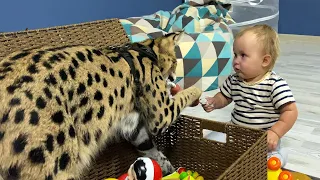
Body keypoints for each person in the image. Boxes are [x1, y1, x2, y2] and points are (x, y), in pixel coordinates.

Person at [201, 24, 298, 167]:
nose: (236, 61)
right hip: (234, 132)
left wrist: (275, 133)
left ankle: (280, 154)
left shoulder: (275, 84)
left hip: (262, 139)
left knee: (267, 164)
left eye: (243, 55)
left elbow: (291, 111)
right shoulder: (234, 79)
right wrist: (215, 102)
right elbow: (224, 96)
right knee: (207, 144)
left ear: (265, 61)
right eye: (235, 54)